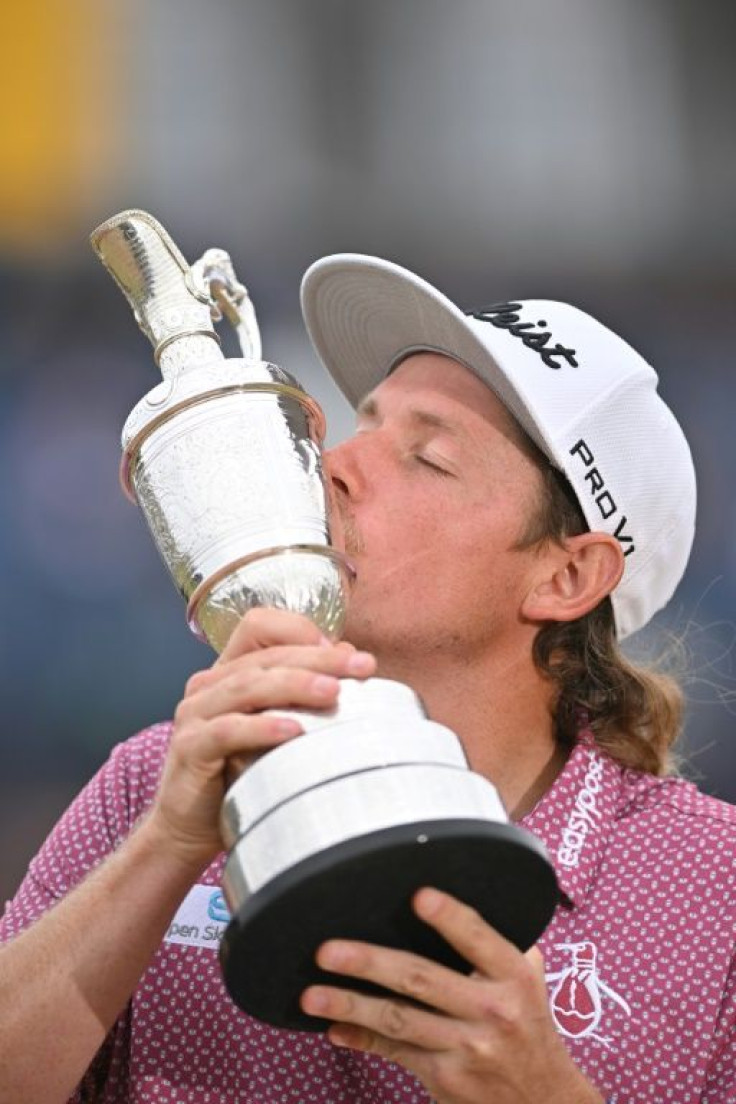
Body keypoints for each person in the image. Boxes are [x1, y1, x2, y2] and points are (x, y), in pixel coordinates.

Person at [1, 253, 733, 1104]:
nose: (335, 465)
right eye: (361, 425)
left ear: (566, 578)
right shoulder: (158, 786)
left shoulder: (713, 892)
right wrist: (164, 852)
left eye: (427, 457)